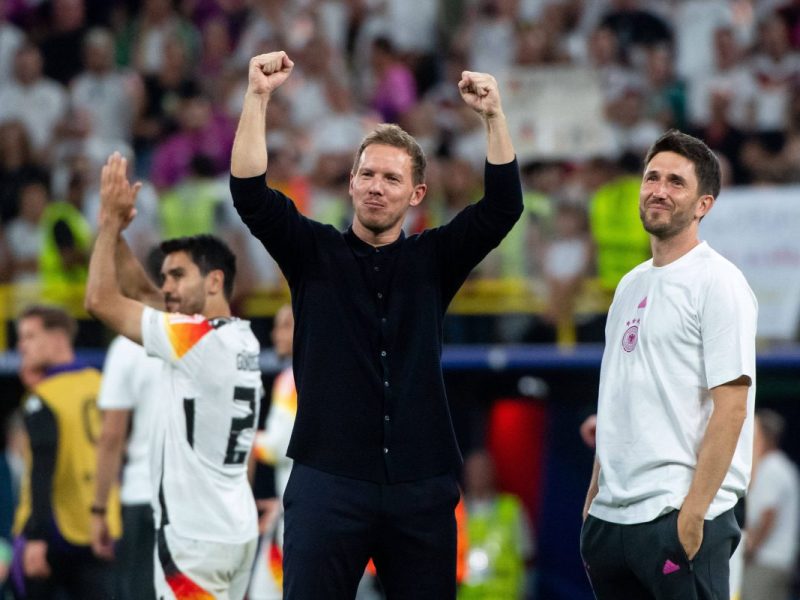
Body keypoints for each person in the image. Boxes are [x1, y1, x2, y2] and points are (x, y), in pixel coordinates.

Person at [230, 51, 522, 599]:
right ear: (350, 183)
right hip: (327, 481)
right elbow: (249, 193)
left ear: (416, 194)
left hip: (421, 486)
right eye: (366, 174)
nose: (376, 186)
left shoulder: (435, 258)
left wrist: (494, 117)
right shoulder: (313, 251)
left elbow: (504, 207)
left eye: (391, 178)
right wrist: (257, 97)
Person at [580, 129, 757, 600]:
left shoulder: (719, 282)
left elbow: (732, 408)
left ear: (703, 205)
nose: (658, 189)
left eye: (676, 182)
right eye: (652, 177)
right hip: (611, 521)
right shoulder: (629, 285)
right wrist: (594, 498)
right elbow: (616, 397)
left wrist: (694, 514)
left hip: (675, 516)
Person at [84, 153, 263, 599]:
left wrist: (108, 225)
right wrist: (118, 233)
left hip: (195, 539)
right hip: (235, 530)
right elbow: (144, 295)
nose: (166, 287)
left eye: (178, 275)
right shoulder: (240, 338)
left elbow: (100, 301)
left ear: (214, 281)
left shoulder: (194, 341)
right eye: (165, 276)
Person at [10, 305, 121, 599]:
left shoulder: (45, 397)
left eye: (30, 336)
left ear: (59, 337)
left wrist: (36, 536)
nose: (21, 346)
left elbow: (42, 469)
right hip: (101, 525)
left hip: (53, 529)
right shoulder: (100, 383)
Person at [90, 248, 164, 600]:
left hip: (142, 494)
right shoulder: (209, 336)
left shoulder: (126, 348)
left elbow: (111, 436)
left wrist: (98, 509)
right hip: (194, 499)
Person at [248, 304, 296, 600]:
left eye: (286, 325)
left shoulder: (292, 380)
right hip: (287, 506)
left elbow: (280, 446)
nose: (276, 333)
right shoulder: (294, 376)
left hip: (296, 512)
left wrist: (243, 438)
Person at [458, 450, 533, 600]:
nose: (479, 475)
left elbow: (527, 557)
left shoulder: (512, 508)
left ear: (493, 473)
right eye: (474, 471)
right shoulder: (457, 512)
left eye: (483, 470)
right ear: (466, 475)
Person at [741, 409, 800, 600]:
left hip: (764, 561)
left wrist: (750, 551)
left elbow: (768, 516)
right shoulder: (783, 466)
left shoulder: (771, 468)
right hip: (779, 560)